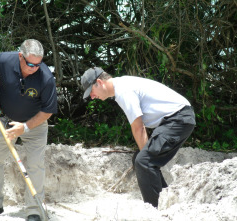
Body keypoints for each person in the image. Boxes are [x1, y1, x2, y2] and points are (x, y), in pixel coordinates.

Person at [81, 67, 195, 208]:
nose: (92, 96)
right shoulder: (122, 86)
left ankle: (154, 210)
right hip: (177, 118)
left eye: (91, 91)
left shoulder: (123, 90)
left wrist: (146, 157)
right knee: (142, 160)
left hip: (178, 118)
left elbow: (138, 128)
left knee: (144, 161)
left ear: (99, 82)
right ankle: (166, 200)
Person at [0, 39, 57, 221]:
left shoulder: (46, 77)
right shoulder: (5, 60)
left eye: (38, 64)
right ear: (20, 56)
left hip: (35, 124)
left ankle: (34, 211)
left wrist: (26, 127)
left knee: (36, 164)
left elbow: (48, 111)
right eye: (30, 64)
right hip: (4, 119)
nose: (34, 68)